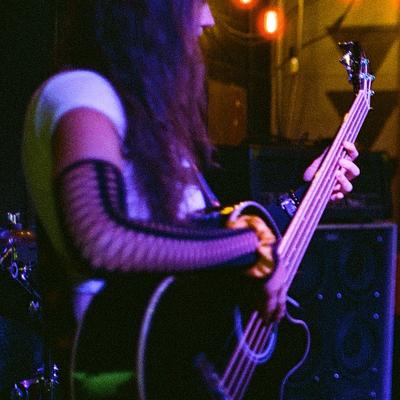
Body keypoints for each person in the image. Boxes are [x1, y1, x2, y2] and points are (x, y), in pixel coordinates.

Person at [22, 1, 360, 398]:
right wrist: (251, 247)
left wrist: (304, 196)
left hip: (175, 356)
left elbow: (201, 235)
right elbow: (99, 238)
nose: (208, 19)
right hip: (130, 364)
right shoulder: (82, 91)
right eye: (197, 3)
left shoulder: (140, 116)